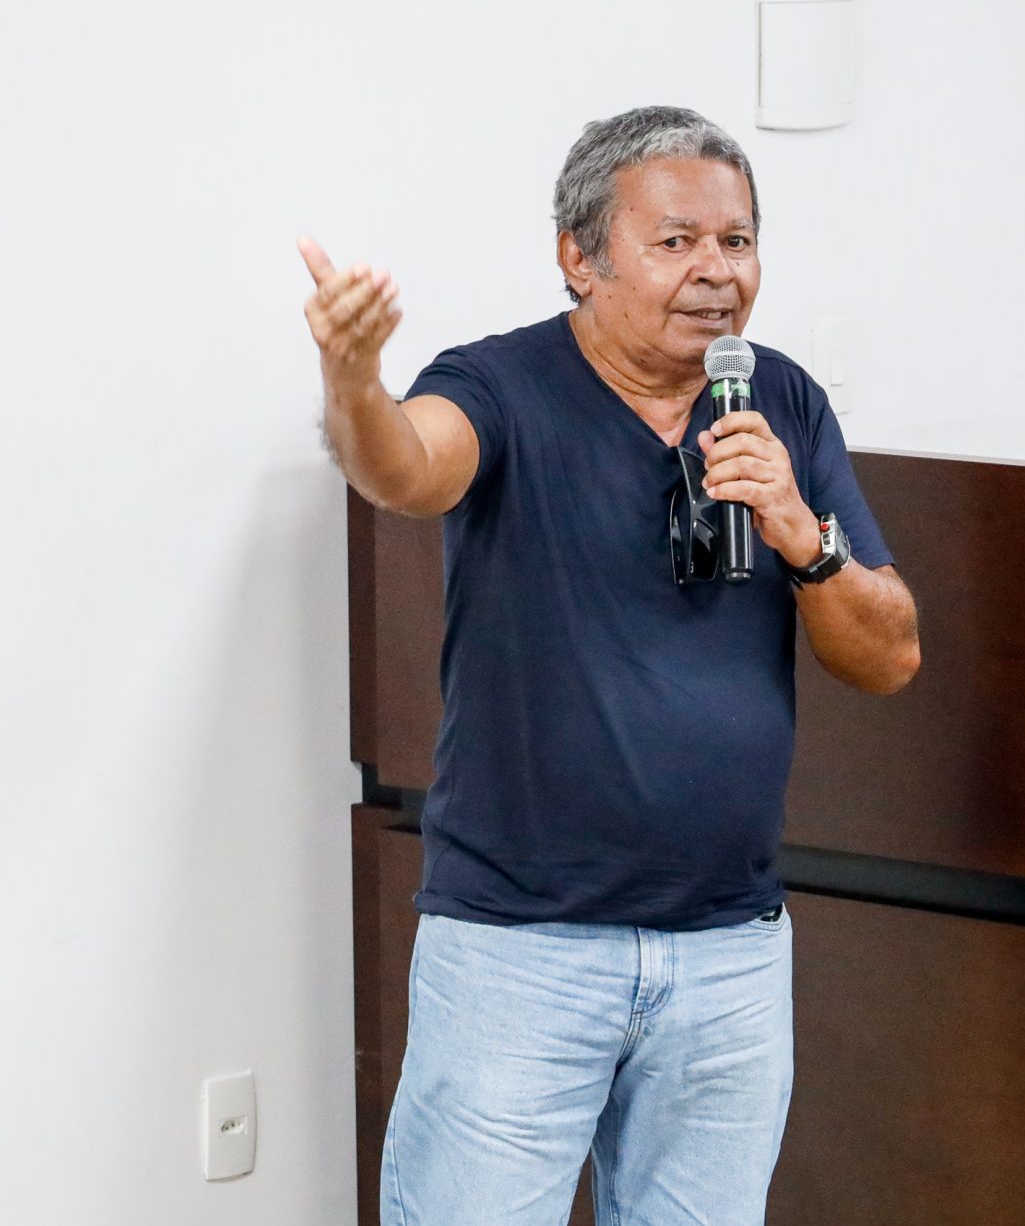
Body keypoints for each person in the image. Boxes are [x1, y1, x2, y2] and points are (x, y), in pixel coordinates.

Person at [300, 105, 920, 1226]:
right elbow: (405, 469)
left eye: (737, 241)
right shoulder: (501, 384)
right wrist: (352, 383)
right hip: (520, 954)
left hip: (728, 953)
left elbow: (889, 654)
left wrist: (800, 530)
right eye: (676, 241)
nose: (716, 271)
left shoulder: (775, 399)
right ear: (579, 258)